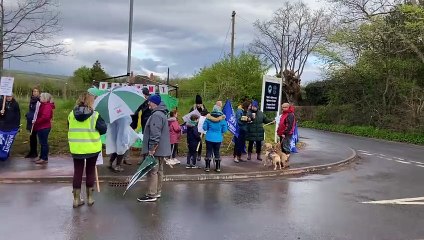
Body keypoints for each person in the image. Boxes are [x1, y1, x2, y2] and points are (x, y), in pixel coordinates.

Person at [68, 92, 107, 208]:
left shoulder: (71, 114)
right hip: (92, 148)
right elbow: (103, 130)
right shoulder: (95, 115)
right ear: (90, 101)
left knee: (77, 172)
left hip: (76, 148)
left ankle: (76, 199)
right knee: (90, 171)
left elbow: (69, 126)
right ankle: (90, 198)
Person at [137, 94, 172, 202]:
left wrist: (152, 149)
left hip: (156, 150)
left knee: (152, 171)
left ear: (155, 103)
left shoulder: (156, 115)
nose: (148, 104)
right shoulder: (162, 113)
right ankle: (157, 192)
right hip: (161, 149)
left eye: (150, 102)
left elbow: (155, 134)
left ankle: (151, 194)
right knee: (159, 171)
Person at [203, 105, 227, 172]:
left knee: (208, 151)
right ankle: (218, 167)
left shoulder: (208, 118)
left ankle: (207, 167)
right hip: (218, 138)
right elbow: (224, 130)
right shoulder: (222, 119)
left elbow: (204, 128)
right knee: (217, 152)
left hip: (209, 138)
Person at [33, 93, 55, 165]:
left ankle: (44, 158)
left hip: (44, 126)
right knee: (42, 143)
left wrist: (37, 122)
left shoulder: (47, 106)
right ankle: (42, 156)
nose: (40, 97)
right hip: (41, 126)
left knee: (44, 143)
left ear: (45, 98)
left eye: (41, 97)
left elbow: (45, 117)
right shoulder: (43, 105)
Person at [189, 94, 208, 162]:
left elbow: (206, 115)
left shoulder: (203, 108)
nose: (198, 105)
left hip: (201, 128)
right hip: (194, 127)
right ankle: (193, 154)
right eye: (197, 104)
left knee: (199, 141)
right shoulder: (193, 107)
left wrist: (203, 109)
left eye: (199, 104)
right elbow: (190, 116)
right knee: (193, 142)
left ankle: (199, 154)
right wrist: (194, 109)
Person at [25, 87, 40, 158]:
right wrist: (28, 115)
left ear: (39, 93)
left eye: (36, 91)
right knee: (31, 137)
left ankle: (35, 152)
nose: (35, 93)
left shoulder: (39, 101)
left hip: (36, 121)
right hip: (30, 121)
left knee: (34, 136)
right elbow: (31, 110)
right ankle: (31, 152)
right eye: (34, 91)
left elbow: (38, 112)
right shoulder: (32, 100)